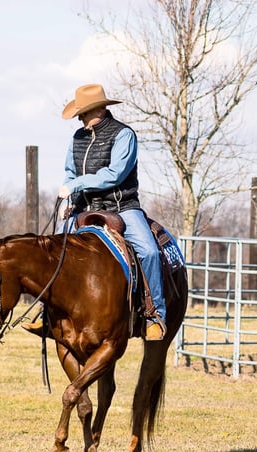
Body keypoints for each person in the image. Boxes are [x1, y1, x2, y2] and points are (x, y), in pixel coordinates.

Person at [23, 84, 167, 341]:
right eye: (80, 113)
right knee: (53, 250)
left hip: (121, 208)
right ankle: (48, 314)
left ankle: (154, 315)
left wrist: (75, 185)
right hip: (82, 207)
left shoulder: (124, 135)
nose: (81, 118)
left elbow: (115, 174)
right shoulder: (77, 138)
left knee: (149, 251)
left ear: (100, 109)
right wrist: (70, 199)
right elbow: (70, 171)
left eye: (85, 112)